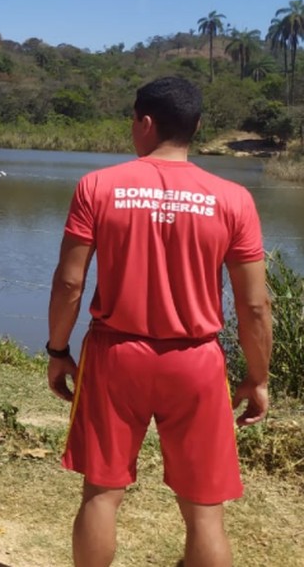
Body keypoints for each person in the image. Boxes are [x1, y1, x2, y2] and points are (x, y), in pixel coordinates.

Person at [46, 76, 273, 567]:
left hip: (115, 357)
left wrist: (57, 351)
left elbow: (69, 284)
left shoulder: (97, 187)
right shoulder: (233, 199)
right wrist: (257, 377)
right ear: (196, 127)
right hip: (196, 362)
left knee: (102, 494)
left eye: (133, 119)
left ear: (144, 123)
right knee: (205, 513)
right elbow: (255, 305)